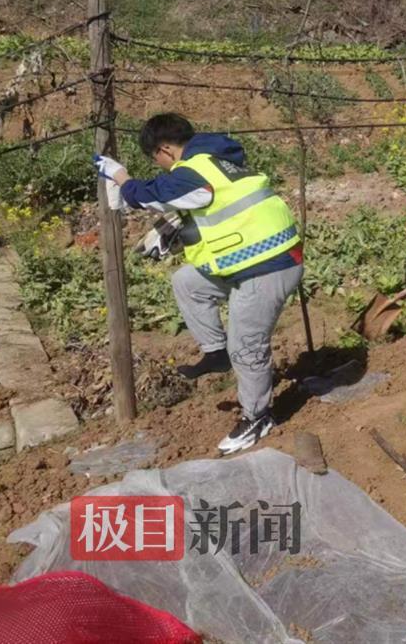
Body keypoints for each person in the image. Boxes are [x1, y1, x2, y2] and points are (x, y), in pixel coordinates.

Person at [95, 113, 303, 455]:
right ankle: (216, 353)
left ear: (164, 150)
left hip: (268, 266)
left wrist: (119, 176)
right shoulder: (216, 160)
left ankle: (257, 417)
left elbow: (148, 195)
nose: (161, 167)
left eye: (157, 160)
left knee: (247, 344)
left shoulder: (193, 170)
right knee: (188, 282)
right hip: (251, 257)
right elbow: (218, 208)